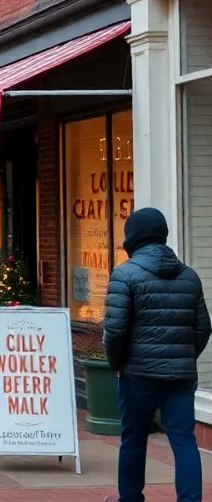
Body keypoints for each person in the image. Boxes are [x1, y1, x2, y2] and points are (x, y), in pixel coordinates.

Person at [105, 207, 210, 502]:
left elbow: (115, 331)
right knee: (184, 439)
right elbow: (204, 327)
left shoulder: (125, 274)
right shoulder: (189, 276)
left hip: (137, 373)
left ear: (132, 238)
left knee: (134, 440)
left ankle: (131, 499)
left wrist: (118, 364)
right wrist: (185, 357)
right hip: (180, 376)